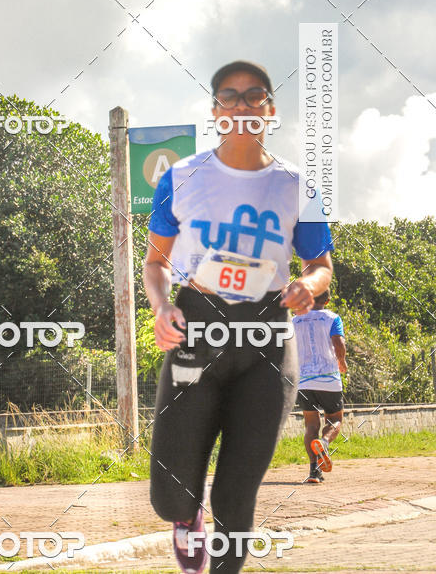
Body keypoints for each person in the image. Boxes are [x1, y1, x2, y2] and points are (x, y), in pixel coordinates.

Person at [143, 60, 334, 574]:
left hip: (268, 336)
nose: (243, 105)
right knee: (171, 493)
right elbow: (155, 264)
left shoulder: (299, 184)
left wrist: (307, 285)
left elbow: (320, 265)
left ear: (271, 109)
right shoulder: (181, 178)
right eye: (231, 97)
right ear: (215, 112)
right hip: (197, 328)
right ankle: (187, 518)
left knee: (238, 489)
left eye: (255, 97)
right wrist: (162, 307)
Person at [293, 288, 347, 484]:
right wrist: (342, 361)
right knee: (335, 420)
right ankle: (324, 443)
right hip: (328, 377)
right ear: (328, 300)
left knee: (311, 425)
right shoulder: (332, 318)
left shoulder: (295, 320)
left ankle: (314, 472)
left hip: (304, 380)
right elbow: (338, 342)